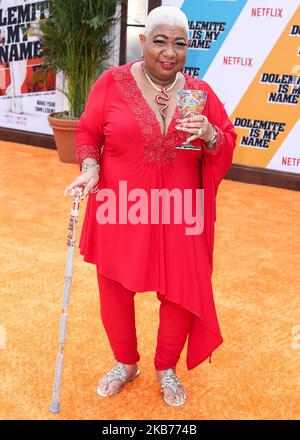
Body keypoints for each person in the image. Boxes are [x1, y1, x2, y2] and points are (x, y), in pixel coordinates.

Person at [64, 6, 237, 407]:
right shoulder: (112, 82)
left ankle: (166, 368)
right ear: (144, 41)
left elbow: (225, 141)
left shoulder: (199, 93)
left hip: (180, 212)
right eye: (160, 40)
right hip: (120, 207)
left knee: (179, 292)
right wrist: (90, 168)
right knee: (115, 289)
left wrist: (211, 133)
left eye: (179, 43)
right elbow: (89, 131)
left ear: (188, 48)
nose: (169, 51)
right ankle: (125, 364)